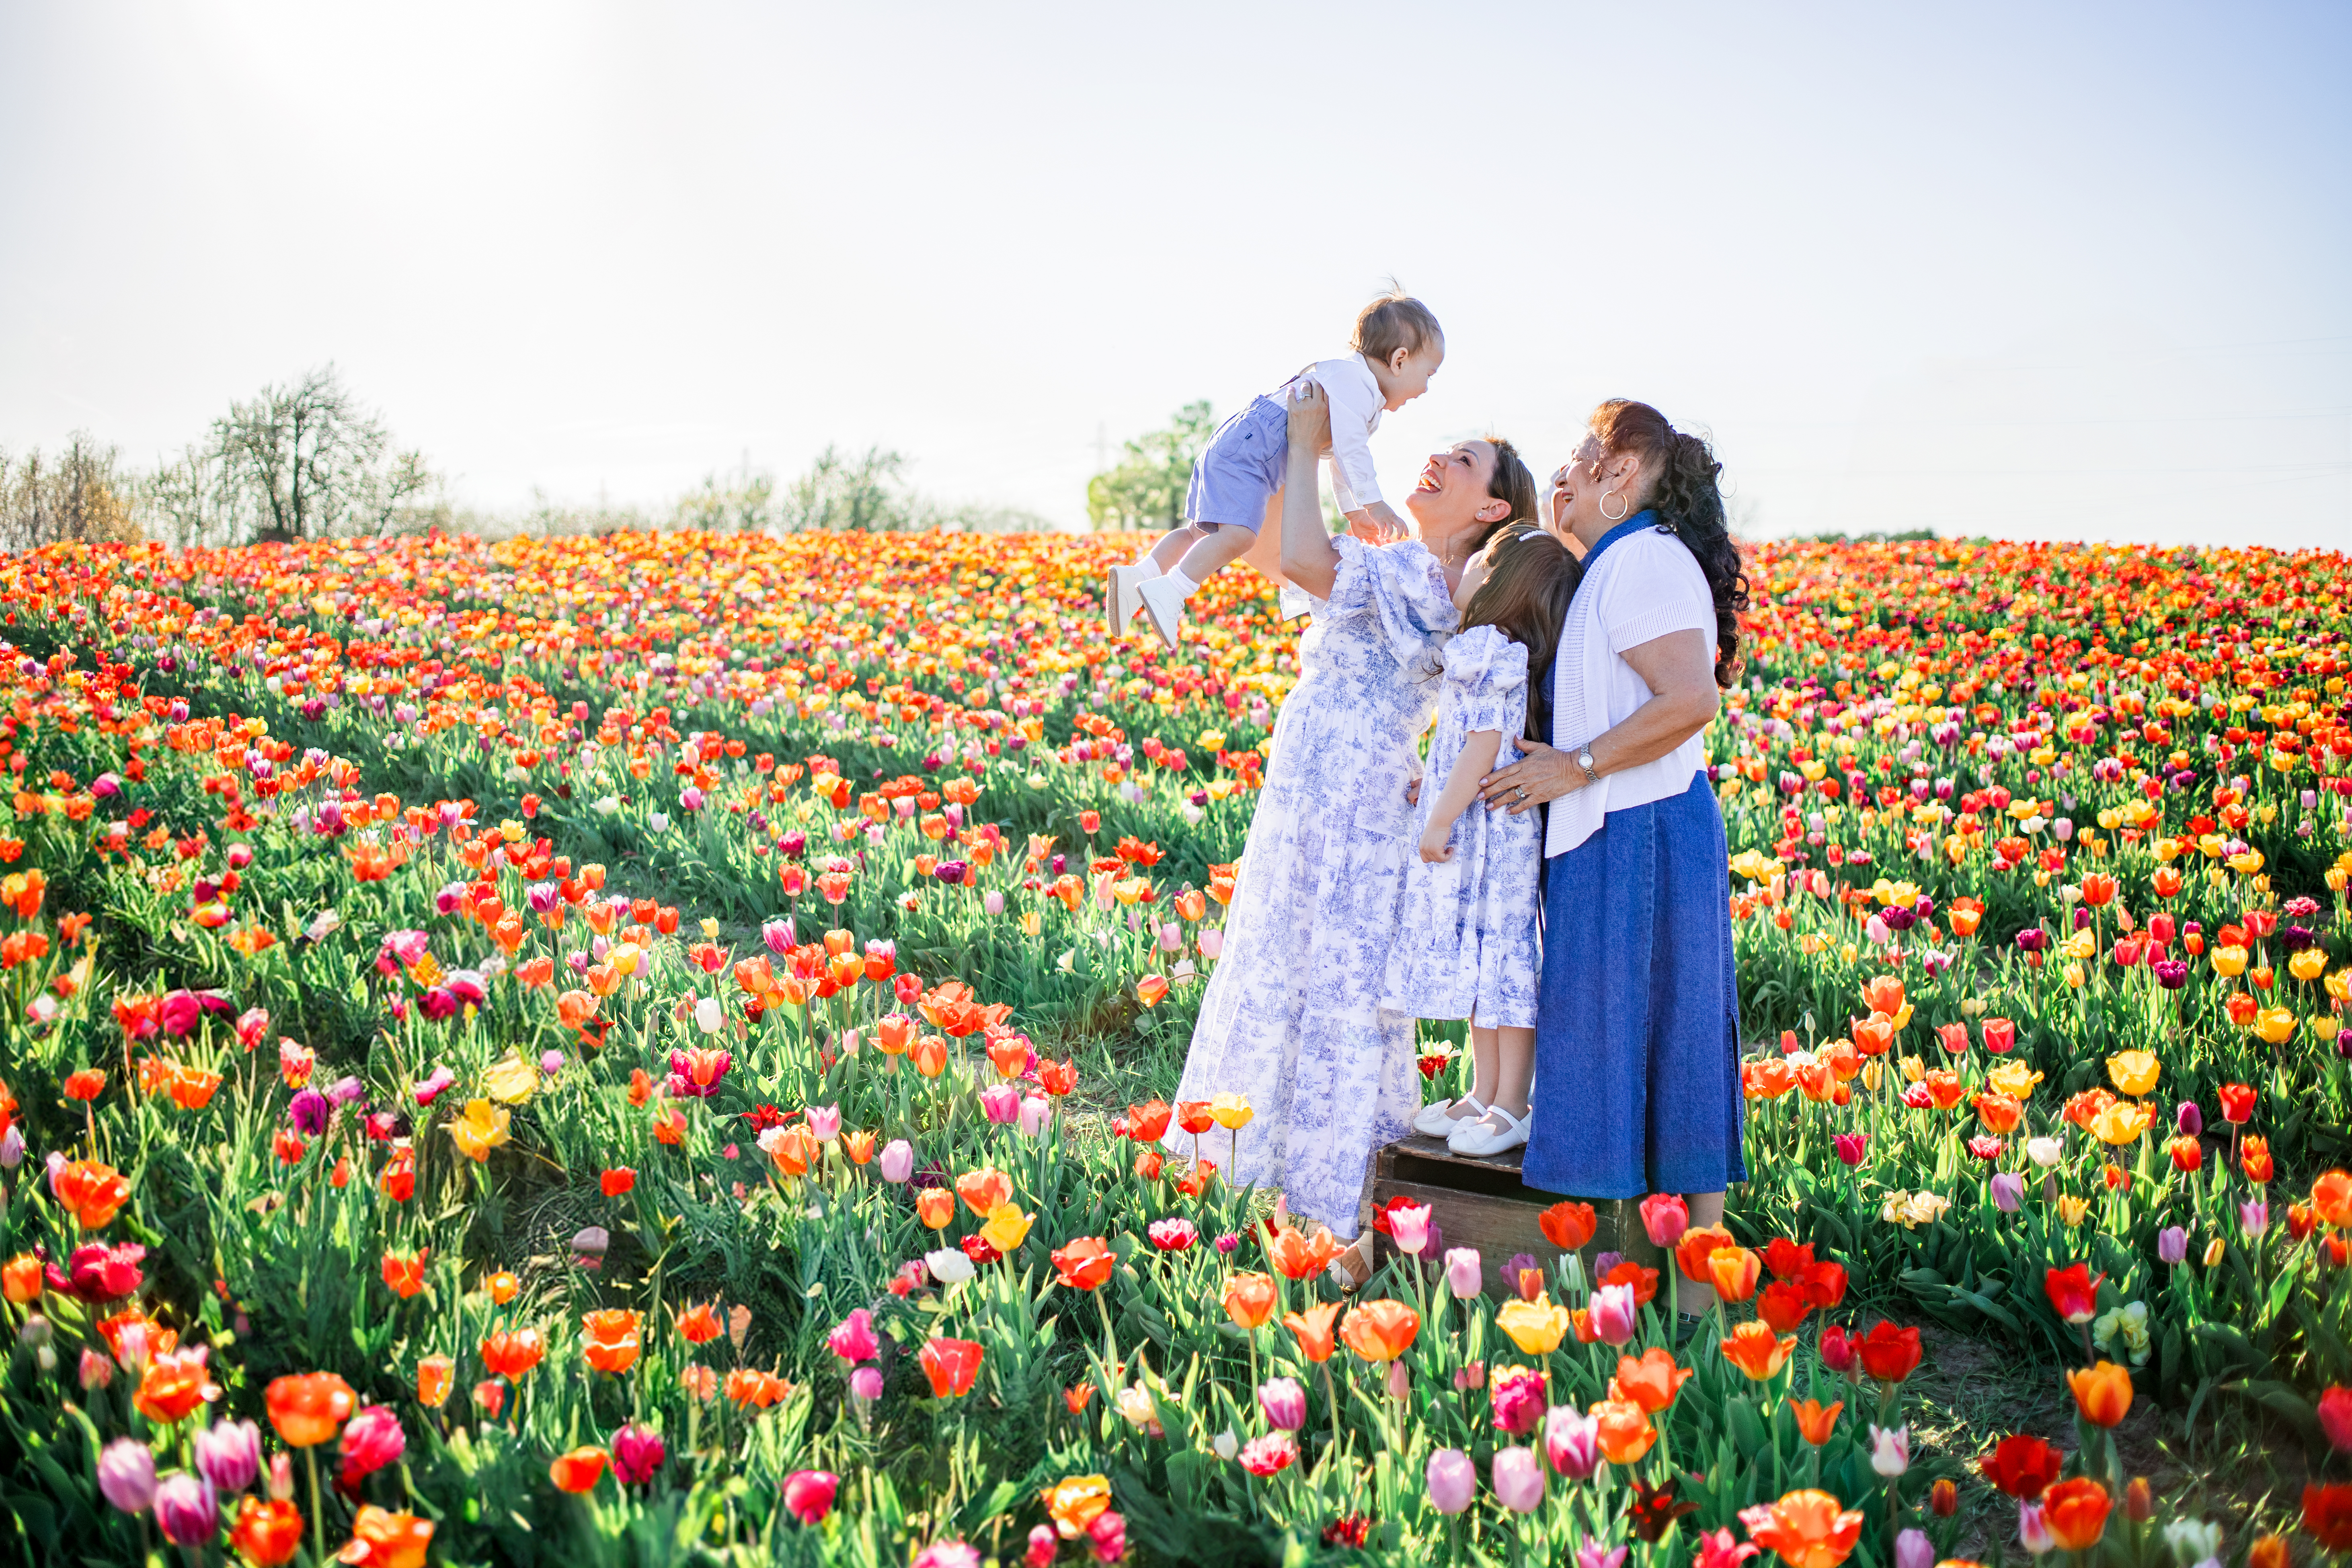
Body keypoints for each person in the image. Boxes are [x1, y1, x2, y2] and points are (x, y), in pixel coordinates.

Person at [1162, 377, 1536, 1271]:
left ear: (1491, 507)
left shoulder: (1424, 572)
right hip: (1326, 777)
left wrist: (1302, 439)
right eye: (1441, 449)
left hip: (1355, 788)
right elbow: (1280, 551)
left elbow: (1297, 561)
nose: (1436, 458)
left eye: (1464, 460)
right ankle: (1282, 1181)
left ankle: (1310, 1190)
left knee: (1327, 965)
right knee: (1298, 955)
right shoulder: (1416, 565)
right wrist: (1302, 447)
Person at [1474, 398, 1751, 1318]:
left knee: (1659, 1038)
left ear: (1621, 470)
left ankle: (1687, 1298)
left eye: (1576, 461)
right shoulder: (1617, 564)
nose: (1562, 476)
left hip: (1640, 826)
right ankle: (1652, 1290)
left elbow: (1689, 700)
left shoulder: (1639, 561)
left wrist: (1574, 766)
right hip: (1619, 826)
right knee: (1630, 1039)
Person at [1385, 524, 1580, 1157]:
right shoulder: (1481, 645)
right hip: (1480, 823)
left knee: (1504, 960)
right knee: (1481, 962)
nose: (1467, 566)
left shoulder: (1493, 648)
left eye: (1485, 560)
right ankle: (1483, 1090)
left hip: (1492, 830)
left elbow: (1483, 743)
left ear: (1506, 584)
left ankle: (1512, 1104)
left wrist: (1439, 817)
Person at [1107, 291, 1444, 649]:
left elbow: (1341, 459)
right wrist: (1375, 505)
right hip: (1255, 451)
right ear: (1400, 360)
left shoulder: (1348, 382)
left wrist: (1354, 511)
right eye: (1430, 374)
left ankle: (1138, 577)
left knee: (1199, 533)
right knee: (1240, 536)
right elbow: (1352, 453)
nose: (1425, 389)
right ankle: (1172, 591)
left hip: (1238, 441)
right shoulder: (1357, 385)